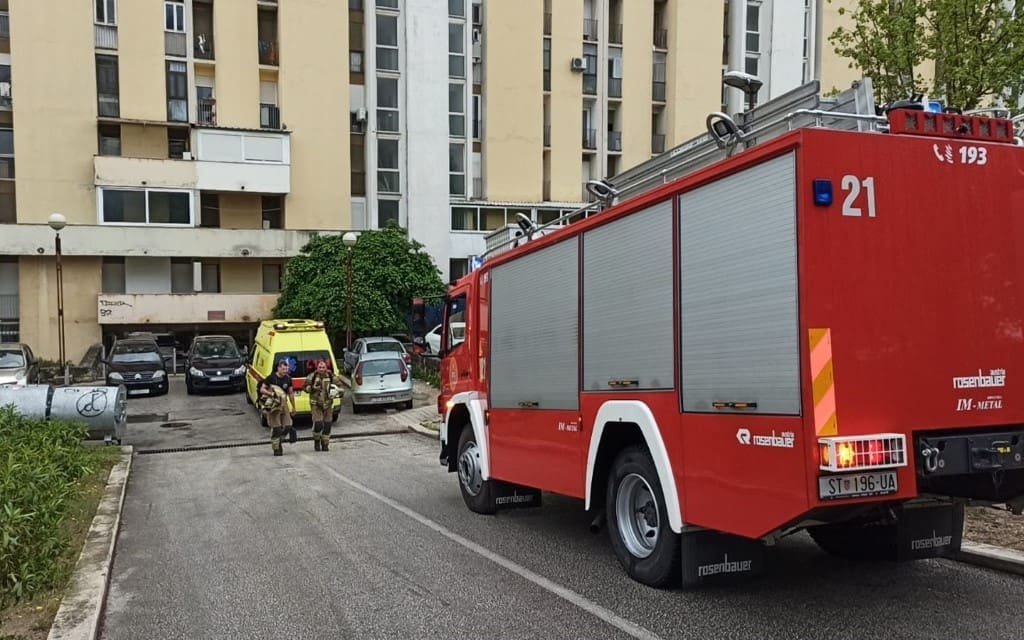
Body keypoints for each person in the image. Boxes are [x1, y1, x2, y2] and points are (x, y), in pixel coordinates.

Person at [259, 359, 296, 456]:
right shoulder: (271, 378)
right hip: (274, 406)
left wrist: (293, 407)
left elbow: (291, 393)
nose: (285, 371)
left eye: (286, 369)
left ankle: (280, 440)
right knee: (277, 429)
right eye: (283, 369)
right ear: (278, 368)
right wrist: (271, 393)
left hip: (284, 405)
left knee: (288, 426)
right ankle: (277, 448)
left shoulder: (288, 379)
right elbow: (262, 389)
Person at [304, 359, 343, 451]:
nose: (321, 369)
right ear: (317, 368)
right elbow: (305, 387)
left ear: (326, 368)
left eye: (323, 367)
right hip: (316, 404)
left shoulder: (330, 376)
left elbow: (340, 386)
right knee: (318, 424)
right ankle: (317, 440)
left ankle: (325, 444)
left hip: (328, 404)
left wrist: (338, 392)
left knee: (328, 424)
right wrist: (312, 388)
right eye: (320, 367)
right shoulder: (312, 376)